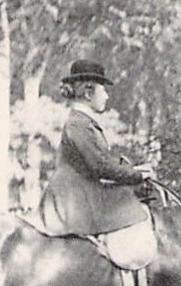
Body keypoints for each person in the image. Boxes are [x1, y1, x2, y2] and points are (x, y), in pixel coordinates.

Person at [39, 60, 155, 237]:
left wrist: (135, 170)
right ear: (88, 92)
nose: (107, 96)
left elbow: (102, 160)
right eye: (103, 90)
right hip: (73, 197)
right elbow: (100, 166)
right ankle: (134, 263)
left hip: (82, 191)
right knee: (132, 208)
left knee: (131, 200)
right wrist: (138, 176)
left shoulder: (84, 122)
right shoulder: (78, 124)